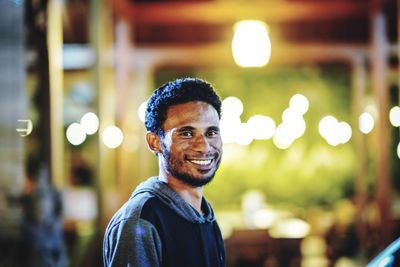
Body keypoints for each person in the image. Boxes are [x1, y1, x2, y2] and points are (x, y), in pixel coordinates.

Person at [103, 77, 226, 267]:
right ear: (155, 142)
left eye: (211, 132)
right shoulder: (141, 221)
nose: (204, 146)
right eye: (186, 133)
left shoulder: (205, 216)